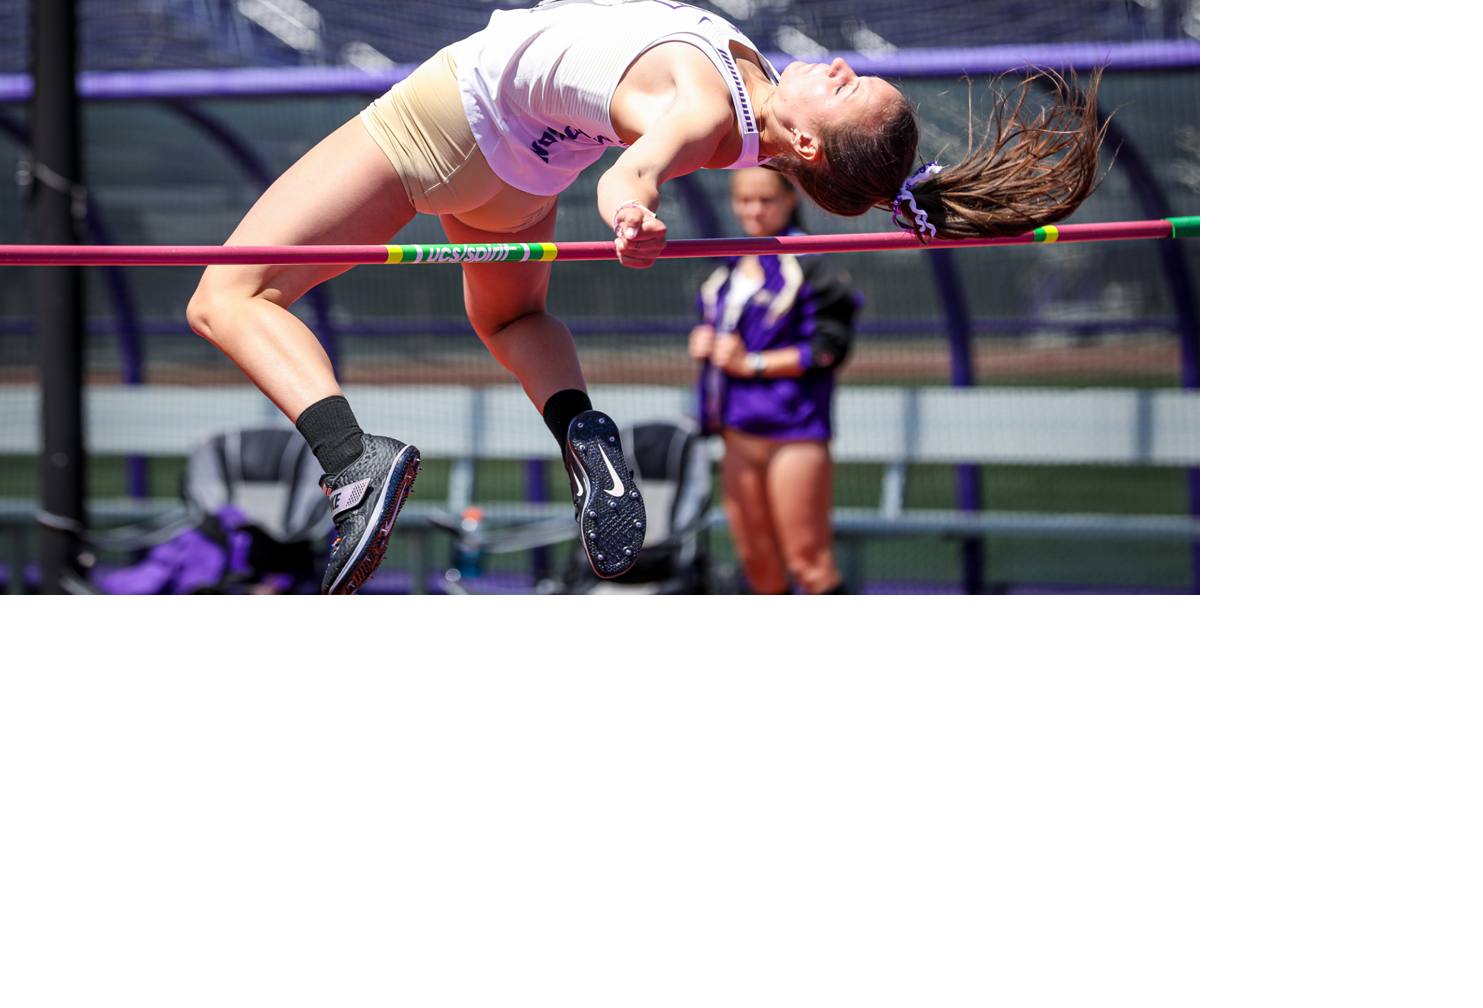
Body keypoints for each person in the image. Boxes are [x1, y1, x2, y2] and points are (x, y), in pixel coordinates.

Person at [184, 0, 1106, 594]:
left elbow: (639, 168)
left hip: (456, 120)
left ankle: (352, 459)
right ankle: (584, 432)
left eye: (850, 87)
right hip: (521, 167)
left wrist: (632, 210)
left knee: (230, 297)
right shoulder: (750, 87)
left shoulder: (711, 109)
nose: (837, 67)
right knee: (510, 317)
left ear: (812, 151)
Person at [690, 168, 858, 595]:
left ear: (791, 199)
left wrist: (754, 363)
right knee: (759, 568)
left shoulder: (811, 263)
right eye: (745, 200)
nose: (755, 210)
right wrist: (704, 340)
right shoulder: (726, 271)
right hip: (736, 432)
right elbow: (720, 333)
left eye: (766, 200)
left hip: (794, 432)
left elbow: (828, 350)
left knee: (809, 563)